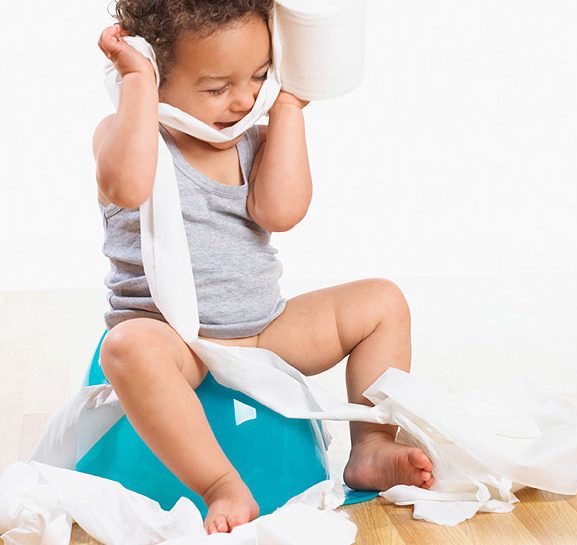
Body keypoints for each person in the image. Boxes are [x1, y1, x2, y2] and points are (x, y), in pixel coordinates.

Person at [94, 0, 435, 535]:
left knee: (382, 302)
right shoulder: (127, 136)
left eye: (258, 76)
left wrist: (288, 112)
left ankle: (370, 446)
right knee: (126, 349)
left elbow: (282, 211)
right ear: (157, 77)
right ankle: (220, 483)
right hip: (177, 341)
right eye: (216, 87)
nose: (243, 99)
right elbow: (128, 186)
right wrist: (135, 82)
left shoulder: (253, 135)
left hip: (263, 329)